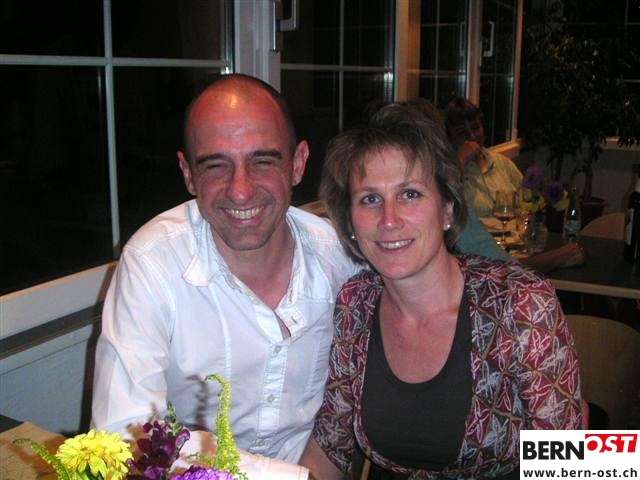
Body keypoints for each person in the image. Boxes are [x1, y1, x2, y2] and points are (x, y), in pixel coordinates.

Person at [299, 100, 583, 479]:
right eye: (370, 199)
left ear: (447, 208)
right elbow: (329, 446)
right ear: (350, 224)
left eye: (410, 194)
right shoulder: (355, 303)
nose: (389, 220)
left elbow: (570, 464)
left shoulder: (521, 302)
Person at [91, 74, 361, 463]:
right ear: (188, 174)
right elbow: (123, 436)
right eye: (216, 166)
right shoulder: (153, 264)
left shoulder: (341, 258)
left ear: (298, 163)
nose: (240, 190)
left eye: (262, 161)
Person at [444, 97, 522, 218]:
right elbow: (444, 206)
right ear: (450, 137)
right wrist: (461, 161)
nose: (471, 136)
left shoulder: (502, 163)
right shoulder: (447, 170)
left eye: (475, 128)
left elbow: (525, 200)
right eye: (461, 132)